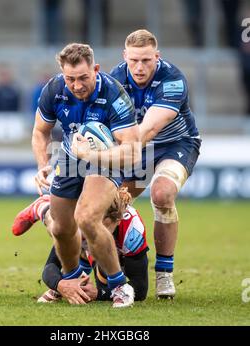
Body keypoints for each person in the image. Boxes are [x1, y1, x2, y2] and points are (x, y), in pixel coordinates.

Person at [31, 43, 141, 307]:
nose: (77, 85)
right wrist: (42, 164)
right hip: (70, 157)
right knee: (61, 228)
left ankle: (119, 285)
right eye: (70, 79)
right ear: (62, 74)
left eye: (83, 78)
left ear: (96, 69)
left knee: (87, 218)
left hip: (107, 158)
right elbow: (39, 132)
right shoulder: (54, 90)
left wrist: (92, 156)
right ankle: (73, 281)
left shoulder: (114, 94)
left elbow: (133, 152)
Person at [110, 29, 201, 299]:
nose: (139, 67)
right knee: (113, 203)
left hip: (176, 144)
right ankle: (108, 271)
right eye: (134, 60)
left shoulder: (172, 79)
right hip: (138, 149)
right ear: (125, 56)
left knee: (161, 194)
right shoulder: (114, 80)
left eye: (146, 61)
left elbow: (148, 131)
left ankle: (164, 273)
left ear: (157, 57)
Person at [12, 188, 149, 305]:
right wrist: (61, 285)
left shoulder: (132, 229)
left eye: (100, 225)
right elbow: (51, 266)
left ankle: (78, 274)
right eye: (92, 224)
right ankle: (43, 207)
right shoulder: (81, 220)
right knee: (58, 229)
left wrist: (98, 293)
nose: (94, 230)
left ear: (118, 220)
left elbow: (141, 288)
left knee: (105, 277)